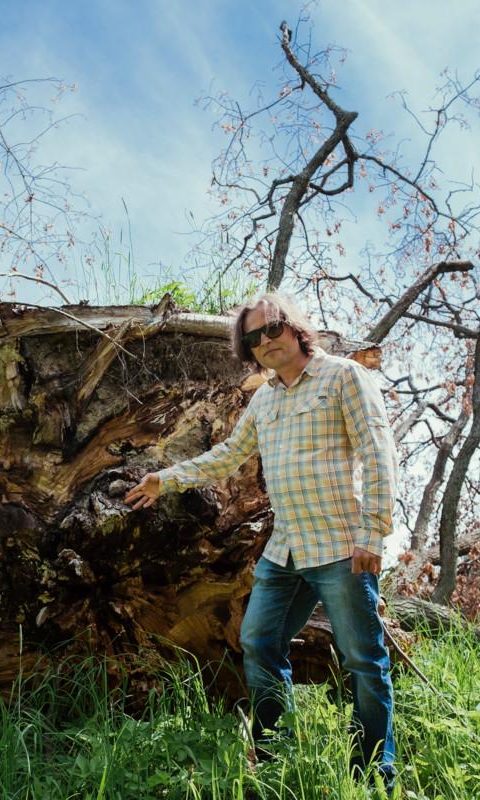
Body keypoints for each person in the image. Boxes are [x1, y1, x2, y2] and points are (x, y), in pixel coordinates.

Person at [125, 293, 398, 789]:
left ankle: (374, 775)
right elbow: (228, 454)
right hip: (286, 549)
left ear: (295, 328)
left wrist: (373, 533)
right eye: (253, 338)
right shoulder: (264, 399)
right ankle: (276, 756)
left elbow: (378, 452)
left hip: (340, 546)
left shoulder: (343, 377)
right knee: (258, 640)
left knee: (362, 659)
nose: (265, 342)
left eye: (272, 329)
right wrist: (165, 479)